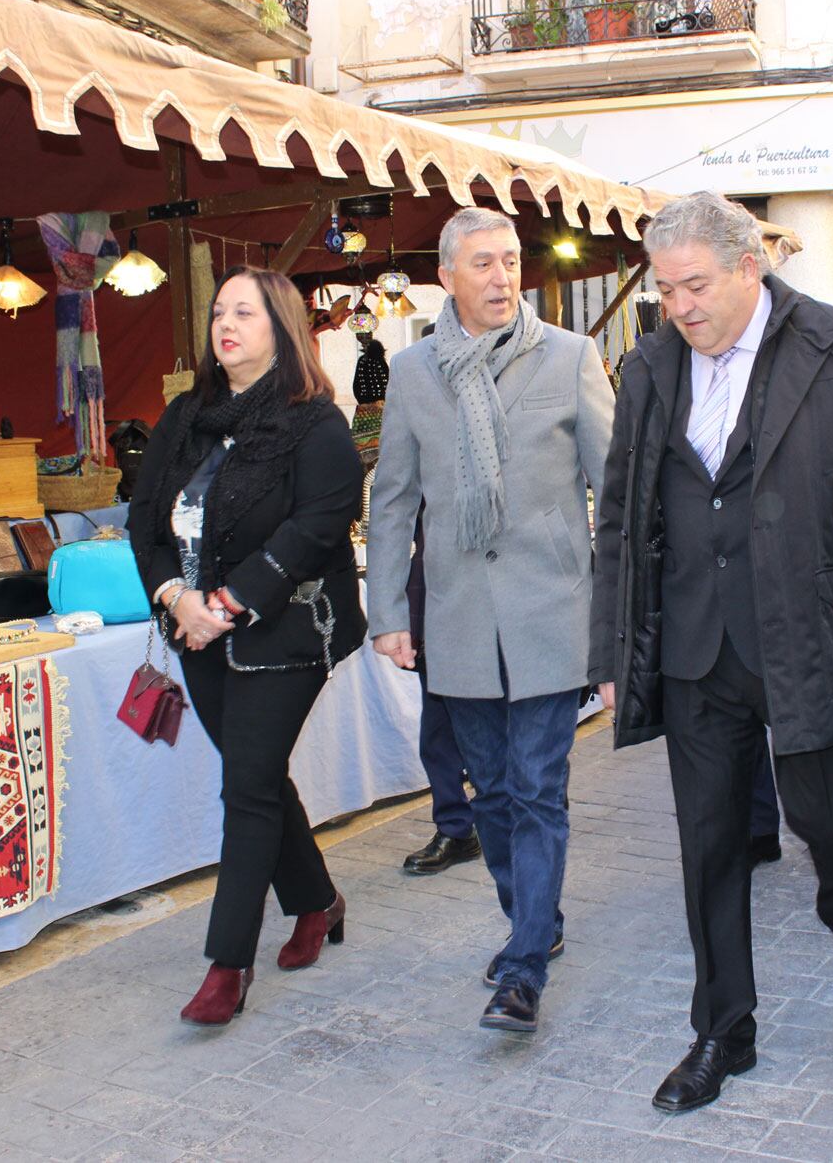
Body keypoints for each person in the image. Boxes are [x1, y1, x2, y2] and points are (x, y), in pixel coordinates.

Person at [592, 191, 833, 1113]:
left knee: (831, 819)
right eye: (665, 290)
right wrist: (613, 648)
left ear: (749, 267)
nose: (679, 306)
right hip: (695, 645)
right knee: (710, 843)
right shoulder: (652, 364)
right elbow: (621, 514)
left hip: (811, 633)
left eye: (695, 286)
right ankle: (723, 1029)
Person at [366, 206, 614, 1034]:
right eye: (483, 263)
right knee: (494, 792)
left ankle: (523, 966)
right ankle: (536, 918)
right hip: (460, 616)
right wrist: (387, 611)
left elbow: (614, 490)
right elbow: (393, 499)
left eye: (510, 260)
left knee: (538, 785)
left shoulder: (570, 357)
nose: (504, 276)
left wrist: (617, 620)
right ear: (447, 277)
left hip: (552, 609)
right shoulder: (413, 372)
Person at [127, 265, 367, 1027]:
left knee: (247, 785)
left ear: (282, 327)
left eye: (245, 313)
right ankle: (317, 901)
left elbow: (319, 524)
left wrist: (228, 603)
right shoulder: (184, 415)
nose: (226, 325)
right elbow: (144, 520)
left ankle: (227, 965)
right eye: (219, 313)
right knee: (254, 776)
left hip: (288, 630)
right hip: (195, 631)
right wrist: (177, 598)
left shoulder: (314, 421)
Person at [400, 507, 482, 875]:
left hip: (502, 597)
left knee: (504, 725)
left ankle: (519, 813)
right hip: (436, 594)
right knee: (437, 732)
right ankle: (456, 829)